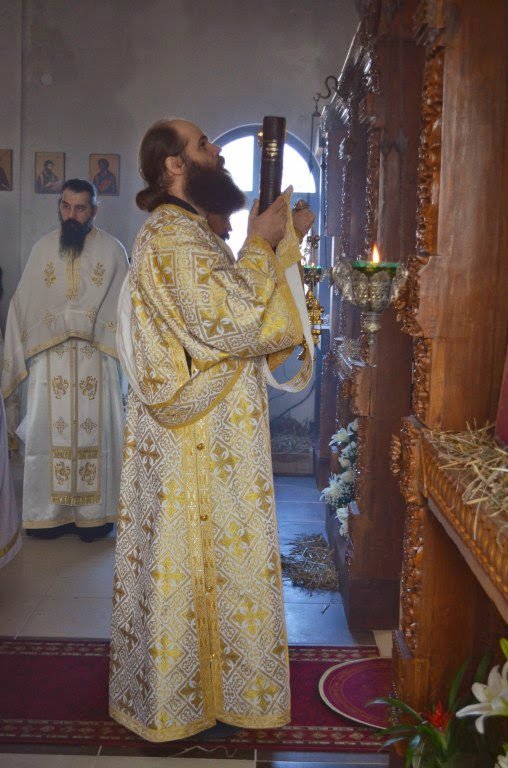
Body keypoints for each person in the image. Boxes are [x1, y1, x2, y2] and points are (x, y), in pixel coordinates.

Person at [110, 118, 314, 742]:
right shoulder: (173, 238)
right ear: (173, 165)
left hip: (207, 433)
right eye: (202, 145)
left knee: (211, 563)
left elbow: (233, 312)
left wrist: (277, 245)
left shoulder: (189, 233)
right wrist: (262, 243)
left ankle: (213, 693)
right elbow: (234, 321)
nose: (216, 152)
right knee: (195, 561)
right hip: (194, 441)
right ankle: (186, 701)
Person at [1, 179, 128, 542]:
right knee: (47, 437)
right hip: (50, 362)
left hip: (97, 360)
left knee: (98, 436)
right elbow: (22, 305)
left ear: (94, 210)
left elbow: (126, 307)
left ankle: (95, 517)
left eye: (80, 208)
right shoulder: (43, 248)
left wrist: (92, 327)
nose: (71, 215)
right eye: (65, 206)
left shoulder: (113, 250)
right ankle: (49, 515)